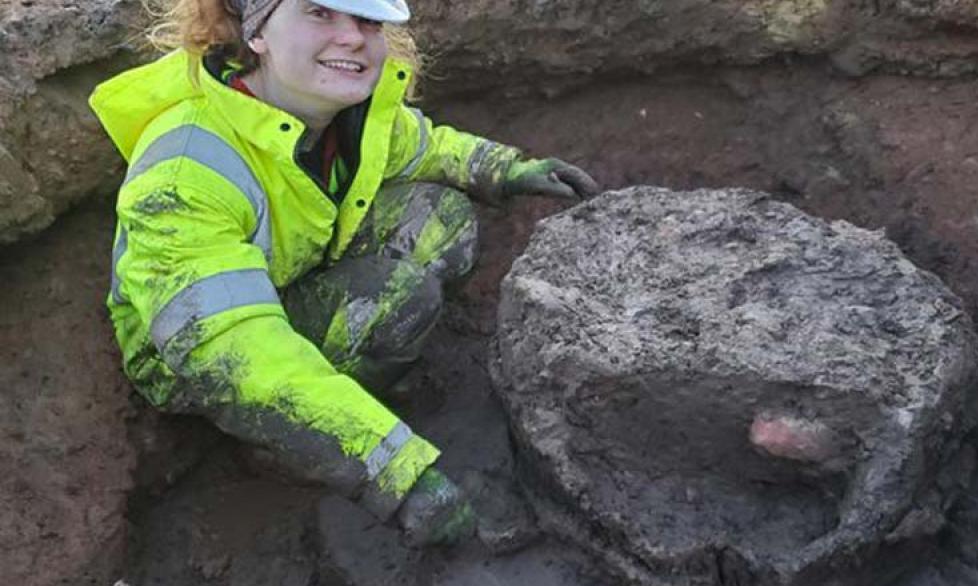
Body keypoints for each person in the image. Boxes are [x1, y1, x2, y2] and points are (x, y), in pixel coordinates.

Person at [89, 0, 599, 546]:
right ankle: (280, 449)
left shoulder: (336, 112)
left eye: (365, 21)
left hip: (292, 270)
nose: (352, 38)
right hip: (194, 355)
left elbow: (419, 146)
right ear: (255, 33)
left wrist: (505, 169)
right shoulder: (185, 173)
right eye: (320, 14)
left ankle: (349, 390)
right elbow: (232, 352)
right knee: (401, 299)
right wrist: (393, 472)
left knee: (439, 219)